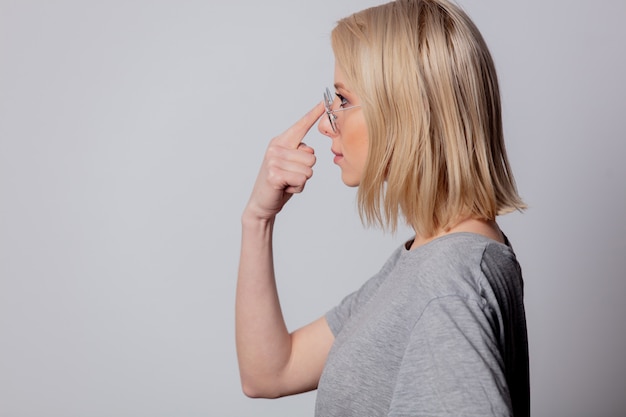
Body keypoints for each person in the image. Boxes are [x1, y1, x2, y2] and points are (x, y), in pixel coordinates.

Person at [235, 0, 529, 415]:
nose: (325, 122)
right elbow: (269, 372)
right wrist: (257, 219)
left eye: (342, 98)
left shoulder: (448, 286)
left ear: (406, 109)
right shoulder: (429, 258)